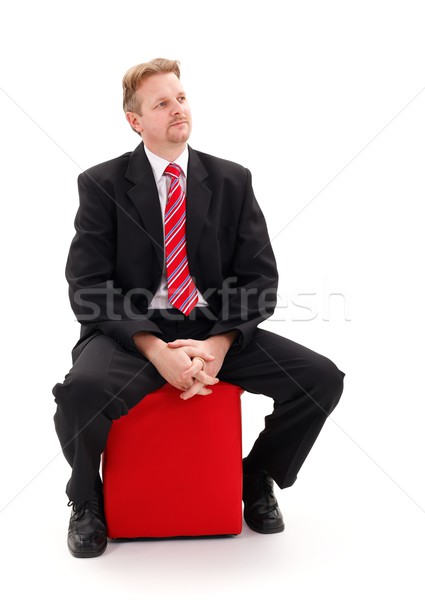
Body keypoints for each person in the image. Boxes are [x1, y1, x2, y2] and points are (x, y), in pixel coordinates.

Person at [52, 58, 345, 558]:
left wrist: (219, 343)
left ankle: (256, 477)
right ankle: (86, 499)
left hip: (213, 327)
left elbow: (259, 279)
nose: (176, 109)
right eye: (160, 103)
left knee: (320, 379)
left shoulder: (232, 180)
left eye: (180, 98)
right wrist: (153, 349)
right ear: (135, 120)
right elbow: (88, 285)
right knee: (81, 391)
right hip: (131, 331)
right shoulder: (101, 184)